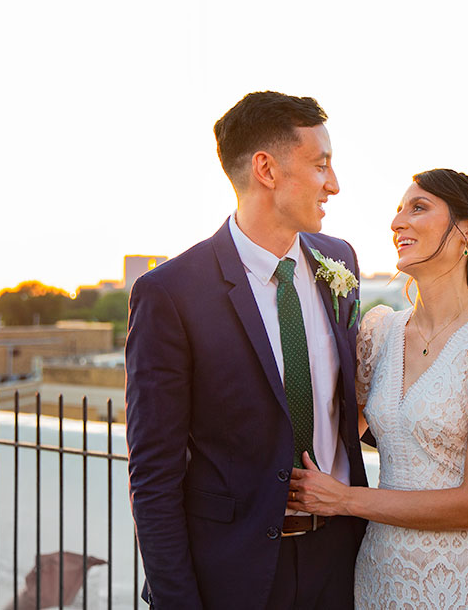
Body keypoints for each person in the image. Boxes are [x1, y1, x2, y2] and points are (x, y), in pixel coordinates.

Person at [125, 91, 367, 609]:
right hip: (234, 574)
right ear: (266, 169)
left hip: (343, 558)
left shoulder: (339, 262)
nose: (335, 184)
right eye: (321, 164)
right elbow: (154, 473)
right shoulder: (170, 293)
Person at [288, 168, 468, 610]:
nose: (397, 223)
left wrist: (345, 499)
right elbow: (342, 430)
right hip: (380, 572)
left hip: (464, 581)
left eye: (418, 208)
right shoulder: (380, 332)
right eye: (398, 210)